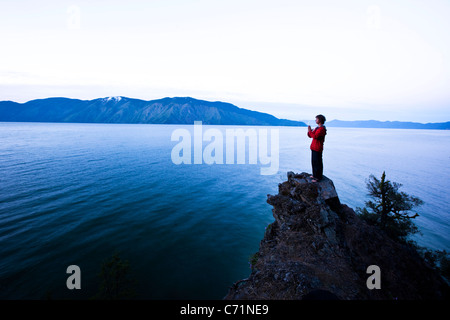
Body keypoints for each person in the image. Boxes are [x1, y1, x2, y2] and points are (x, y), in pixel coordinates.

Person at [307, 114, 327, 182]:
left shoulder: (321, 129)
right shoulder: (317, 128)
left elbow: (315, 136)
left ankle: (318, 177)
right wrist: (309, 131)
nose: (315, 120)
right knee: (314, 162)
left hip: (318, 148)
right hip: (314, 147)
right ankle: (315, 175)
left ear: (320, 120)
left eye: (317, 119)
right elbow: (311, 135)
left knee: (318, 163)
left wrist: (310, 131)